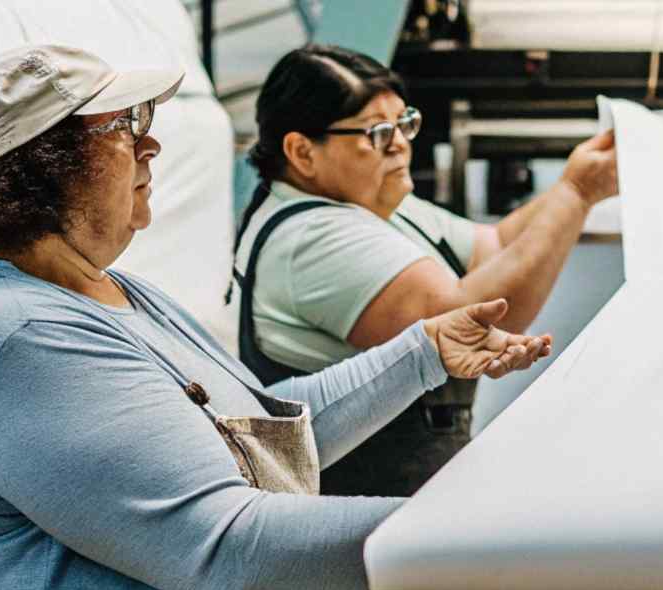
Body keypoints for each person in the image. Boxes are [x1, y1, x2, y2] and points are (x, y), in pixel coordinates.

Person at [0, 44, 550, 590]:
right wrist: (465, 528)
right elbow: (229, 548)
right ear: (47, 168)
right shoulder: (24, 340)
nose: (151, 143)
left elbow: (265, 434)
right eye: (123, 125)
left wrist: (424, 351)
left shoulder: (109, 291)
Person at [231, 44, 618, 496]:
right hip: (356, 499)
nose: (399, 143)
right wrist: (575, 193)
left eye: (403, 124)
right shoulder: (311, 237)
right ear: (302, 151)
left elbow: (494, 248)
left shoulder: (376, 205)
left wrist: (582, 181)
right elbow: (471, 319)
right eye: (377, 131)